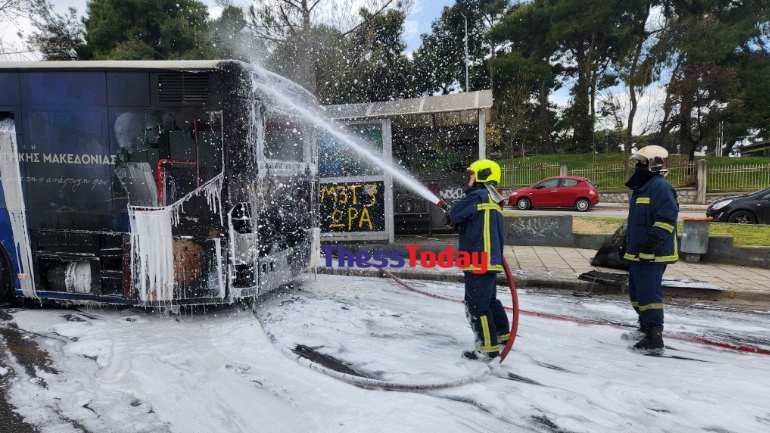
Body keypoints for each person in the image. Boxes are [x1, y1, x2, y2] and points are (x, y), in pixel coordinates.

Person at [446, 159, 510, 361]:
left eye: (472, 174)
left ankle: (486, 347)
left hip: (477, 260)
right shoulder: (492, 198)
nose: (469, 178)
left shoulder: (477, 196)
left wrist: (450, 216)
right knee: (489, 300)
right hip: (491, 260)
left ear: (482, 175)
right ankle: (502, 335)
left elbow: (454, 215)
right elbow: (474, 222)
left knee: (476, 305)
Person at [622, 145, 679, 355]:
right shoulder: (643, 188)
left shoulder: (660, 188)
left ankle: (655, 339)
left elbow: (665, 221)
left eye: (643, 162)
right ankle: (645, 327)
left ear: (655, 164)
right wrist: (627, 247)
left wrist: (649, 246)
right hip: (639, 253)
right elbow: (637, 223)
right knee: (637, 293)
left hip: (653, 254)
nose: (638, 165)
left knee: (649, 295)